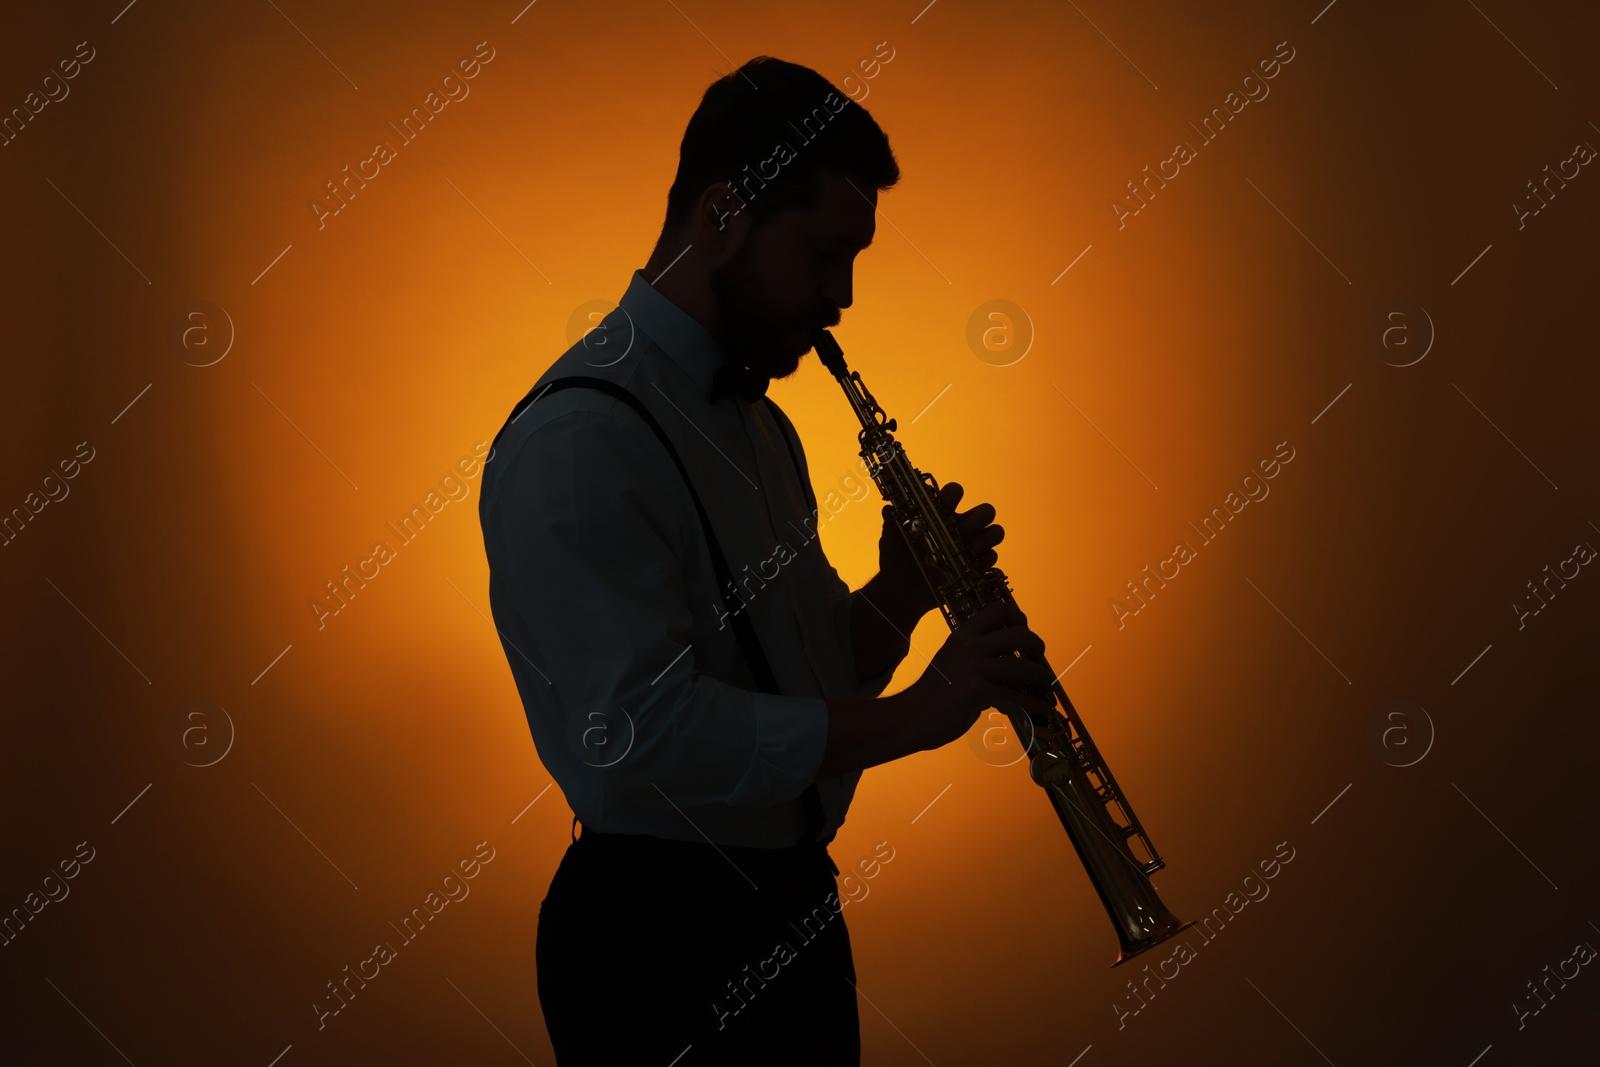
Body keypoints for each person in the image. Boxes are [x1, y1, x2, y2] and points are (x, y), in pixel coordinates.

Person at [477, 55, 1056, 1066]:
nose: (840, 297)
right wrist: (923, 715)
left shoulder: (764, 426)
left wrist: (900, 597)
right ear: (722, 214)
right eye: (825, 255)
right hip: (655, 942)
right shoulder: (577, 443)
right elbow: (640, 734)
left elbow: (805, 679)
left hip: (788, 911)